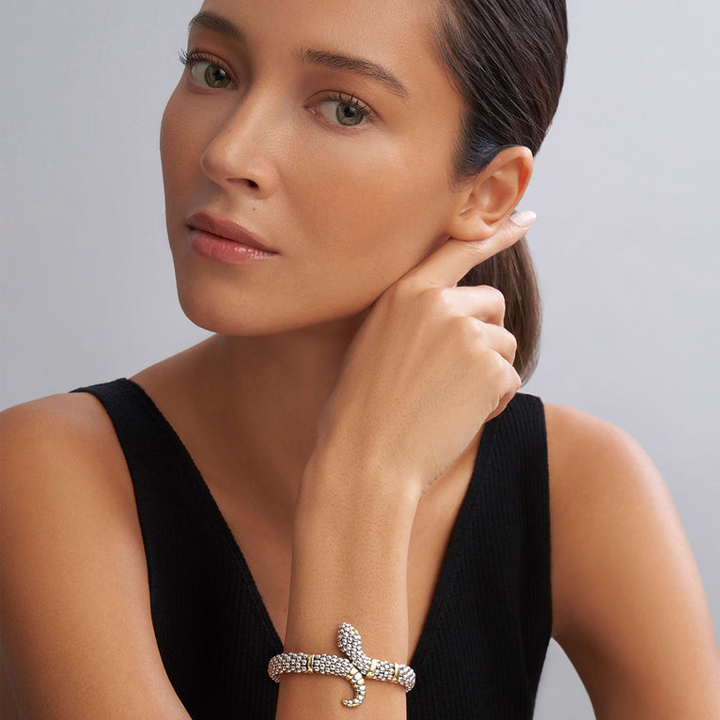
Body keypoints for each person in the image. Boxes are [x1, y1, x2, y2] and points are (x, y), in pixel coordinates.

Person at [2, 0, 719, 718]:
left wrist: (366, 473)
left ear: (486, 192)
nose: (227, 153)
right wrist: (365, 486)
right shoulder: (45, 472)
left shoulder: (582, 487)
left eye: (343, 109)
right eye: (213, 69)